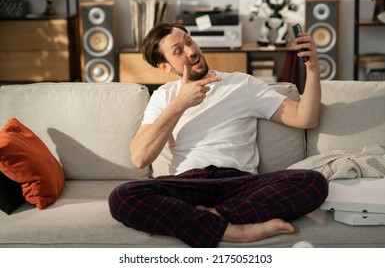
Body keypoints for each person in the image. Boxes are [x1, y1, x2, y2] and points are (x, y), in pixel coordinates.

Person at [108, 22, 328, 248]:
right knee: (122, 196)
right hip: (186, 186)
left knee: (312, 182)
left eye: (189, 41)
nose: (192, 51)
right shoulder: (164, 96)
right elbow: (140, 157)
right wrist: (179, 104)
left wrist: (312, 68)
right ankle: (236, 230)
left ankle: (207, 219)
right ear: (164, 66)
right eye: (178, 51)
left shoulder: (242, 84)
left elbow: (305, 118)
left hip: (238, 184)